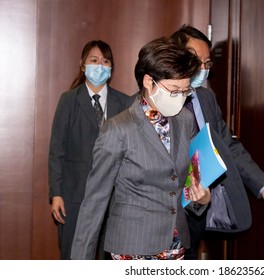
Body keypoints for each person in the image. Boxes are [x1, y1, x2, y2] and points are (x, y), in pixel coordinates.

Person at [70, 37, 211, 260]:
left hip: (175, 244)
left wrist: (201, 200)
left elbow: (185, 183)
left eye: (185, 92)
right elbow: (94, 202)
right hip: (132, 246)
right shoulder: (118, 129)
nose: (180, 98)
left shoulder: (184, 120)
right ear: (148, 81)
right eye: (174, 91)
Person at [170, 25, 264, 259]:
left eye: (207, 64)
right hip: (165, 213)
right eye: (196, 61)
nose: (202, 70)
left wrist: (263, 187)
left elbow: (228, 145)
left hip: (198, 209)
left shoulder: (206, 98)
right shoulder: (156, 100)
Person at [48, 40, 130, 260]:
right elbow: (57, 150)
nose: (100, 66)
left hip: (114, 196)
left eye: (105, 61)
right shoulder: (68, 101)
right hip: (74, 194)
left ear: (111, 68)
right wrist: (56, 193)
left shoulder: (124, 103)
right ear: (83, 65)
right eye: (94, 61)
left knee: (108, 257)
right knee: (74, 255)